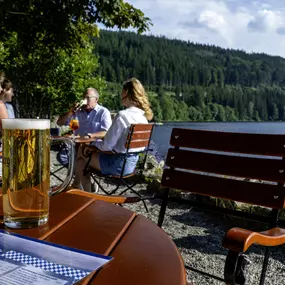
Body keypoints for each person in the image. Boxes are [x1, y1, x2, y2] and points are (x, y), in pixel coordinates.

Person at [75, 77, 153, 192]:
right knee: (83, 160)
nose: (120, 94)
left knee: (81, 152)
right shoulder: (143, 118)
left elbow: (107, 146)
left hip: (117, 165)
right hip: (132, 165)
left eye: (122, 91)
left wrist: (92, 146)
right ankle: (86, 190)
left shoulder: (123, 115)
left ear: (126, 93)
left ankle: (85, 193)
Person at [56, 87, 112, 166]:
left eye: (88, 98)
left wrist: (89, 136)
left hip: (93, 148)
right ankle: (80, 171)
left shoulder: (103, 112)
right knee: (62, 156)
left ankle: (81, 171)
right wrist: (70, 112)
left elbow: (106, 132)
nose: (85, 100)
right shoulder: (78, 112)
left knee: (81, 162)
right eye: (84, 98)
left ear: (96, 99)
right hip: (77, 146)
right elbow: (60, 122)